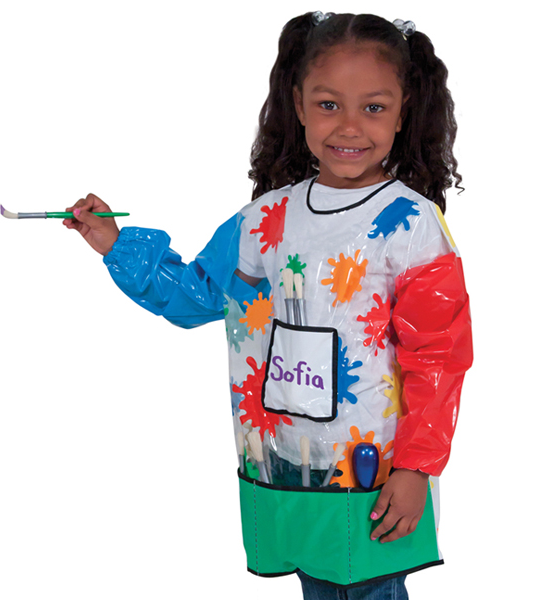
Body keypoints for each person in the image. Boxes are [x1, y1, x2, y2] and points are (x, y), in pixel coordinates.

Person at [64, 12, 473, 600]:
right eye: (328, 104)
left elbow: (438, 357)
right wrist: (115, 244)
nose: (349, 125)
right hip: (286, 465)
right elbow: (198, 294)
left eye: (374, 107)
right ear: (298, 104)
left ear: (404, 110)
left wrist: (416, 467)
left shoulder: (411, 225)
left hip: (376, 470)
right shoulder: (265, 220)